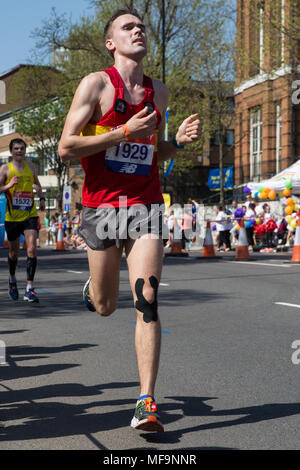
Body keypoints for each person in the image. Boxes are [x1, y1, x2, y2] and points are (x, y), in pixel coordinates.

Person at [58, 7, 201, 433]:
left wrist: (174, 143)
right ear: (111, 42)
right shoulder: (97, 84)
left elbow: (152, 151)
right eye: (128, 27)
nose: (138, 31)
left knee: (147, 300)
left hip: (145, 207)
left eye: (141, 27)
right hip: (100, 209)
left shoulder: (160, 92)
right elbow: (66, 147)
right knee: (105, 307)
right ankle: (95, 289)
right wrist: (122, 132)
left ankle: (145, 402)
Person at [0, 138, 45, 302]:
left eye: (22, 148)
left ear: (25, 151)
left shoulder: (31, 167)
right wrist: (8, 185)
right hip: (12, 217)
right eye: (16, 149)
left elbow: (38, 185)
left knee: (32, 248)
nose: (19, 151)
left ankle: (29, 289)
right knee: (14, 253)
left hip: (29, 215)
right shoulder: (5, 169)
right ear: (11, 151)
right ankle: (12, 279)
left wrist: (41, 199)